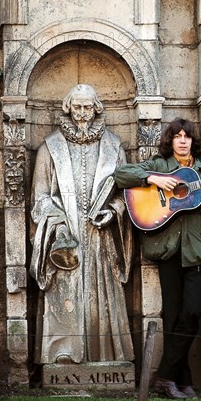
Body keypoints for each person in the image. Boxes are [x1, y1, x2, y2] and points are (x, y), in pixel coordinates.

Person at [114, 117, 201, 399]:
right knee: (174, 316)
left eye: (186, 136)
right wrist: (152, 178)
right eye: (177, 136)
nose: (182, 140)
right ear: (170, 140)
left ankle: (165, 377)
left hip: (197, 252)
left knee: (193, 313)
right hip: (168, 250)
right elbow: (120, 175)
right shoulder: (159, 165)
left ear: (193, 141)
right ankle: (182, 380)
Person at [30, 84, 134, 365]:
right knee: (65, 289)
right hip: (65, 239)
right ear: (68, 108)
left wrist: (113, 212)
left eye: (88, 107)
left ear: (97, 108)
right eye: (76, 107)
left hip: (101, 238)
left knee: (103, 293)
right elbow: (39, 198)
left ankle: (106, 356)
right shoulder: (49, 148)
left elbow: (127, 195)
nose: (82, 114)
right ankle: (63, 352)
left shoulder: (114, 146)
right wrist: (59, 226)